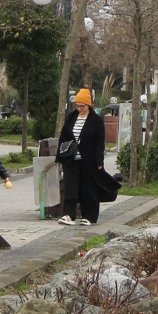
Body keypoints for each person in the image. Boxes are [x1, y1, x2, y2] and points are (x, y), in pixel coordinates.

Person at [56, 88, 106, 226]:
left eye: (81, 106)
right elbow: (64, 137)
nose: (79, 108)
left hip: (88, 160)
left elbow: (99, 142)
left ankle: (89, 216)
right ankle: (68, 215)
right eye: (77, 105)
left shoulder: (96, 121)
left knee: (88, 188)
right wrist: (60, 157)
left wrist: (99, 161)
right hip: (71, 160)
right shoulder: (71, 117)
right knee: (70, 187)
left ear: (88, 105)